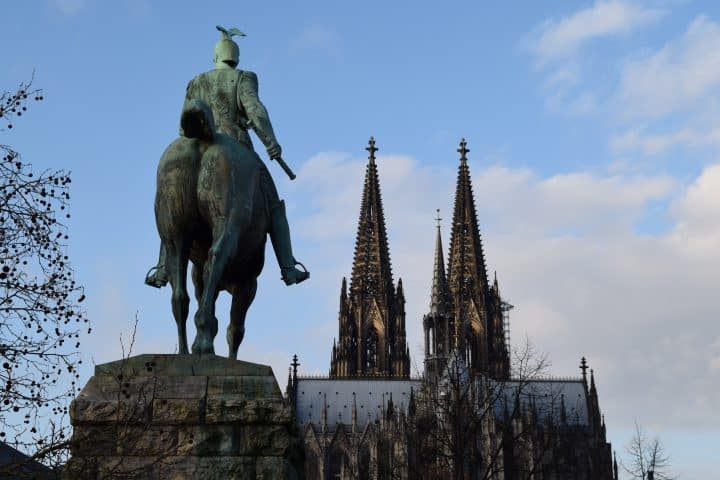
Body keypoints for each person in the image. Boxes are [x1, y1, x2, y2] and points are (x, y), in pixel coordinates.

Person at [145, 26, 309, 287]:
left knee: (172, 201)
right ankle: (288, 267)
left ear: (215, 57)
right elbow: (256, 110)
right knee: (274, 206)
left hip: (197, 145)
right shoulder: (244, 78)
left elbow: (181, 128)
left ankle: (163, 266)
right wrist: (271, 142)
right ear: (235, 58)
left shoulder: (196, 82)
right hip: (238, 146)